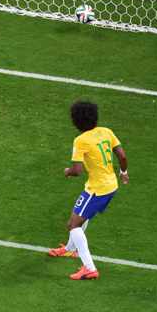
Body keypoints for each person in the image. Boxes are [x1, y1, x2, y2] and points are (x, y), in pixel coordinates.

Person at [48, 101, 129, 280]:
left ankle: (89, 268)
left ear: (76, 121)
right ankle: (70, 249)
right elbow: (122, 155)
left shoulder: (81, 141)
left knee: (73, 224)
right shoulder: (106, 131)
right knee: (81, 216)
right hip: (111, 185)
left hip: (97, 189)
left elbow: (77, 170)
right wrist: (123, 172)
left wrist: (67, 172)